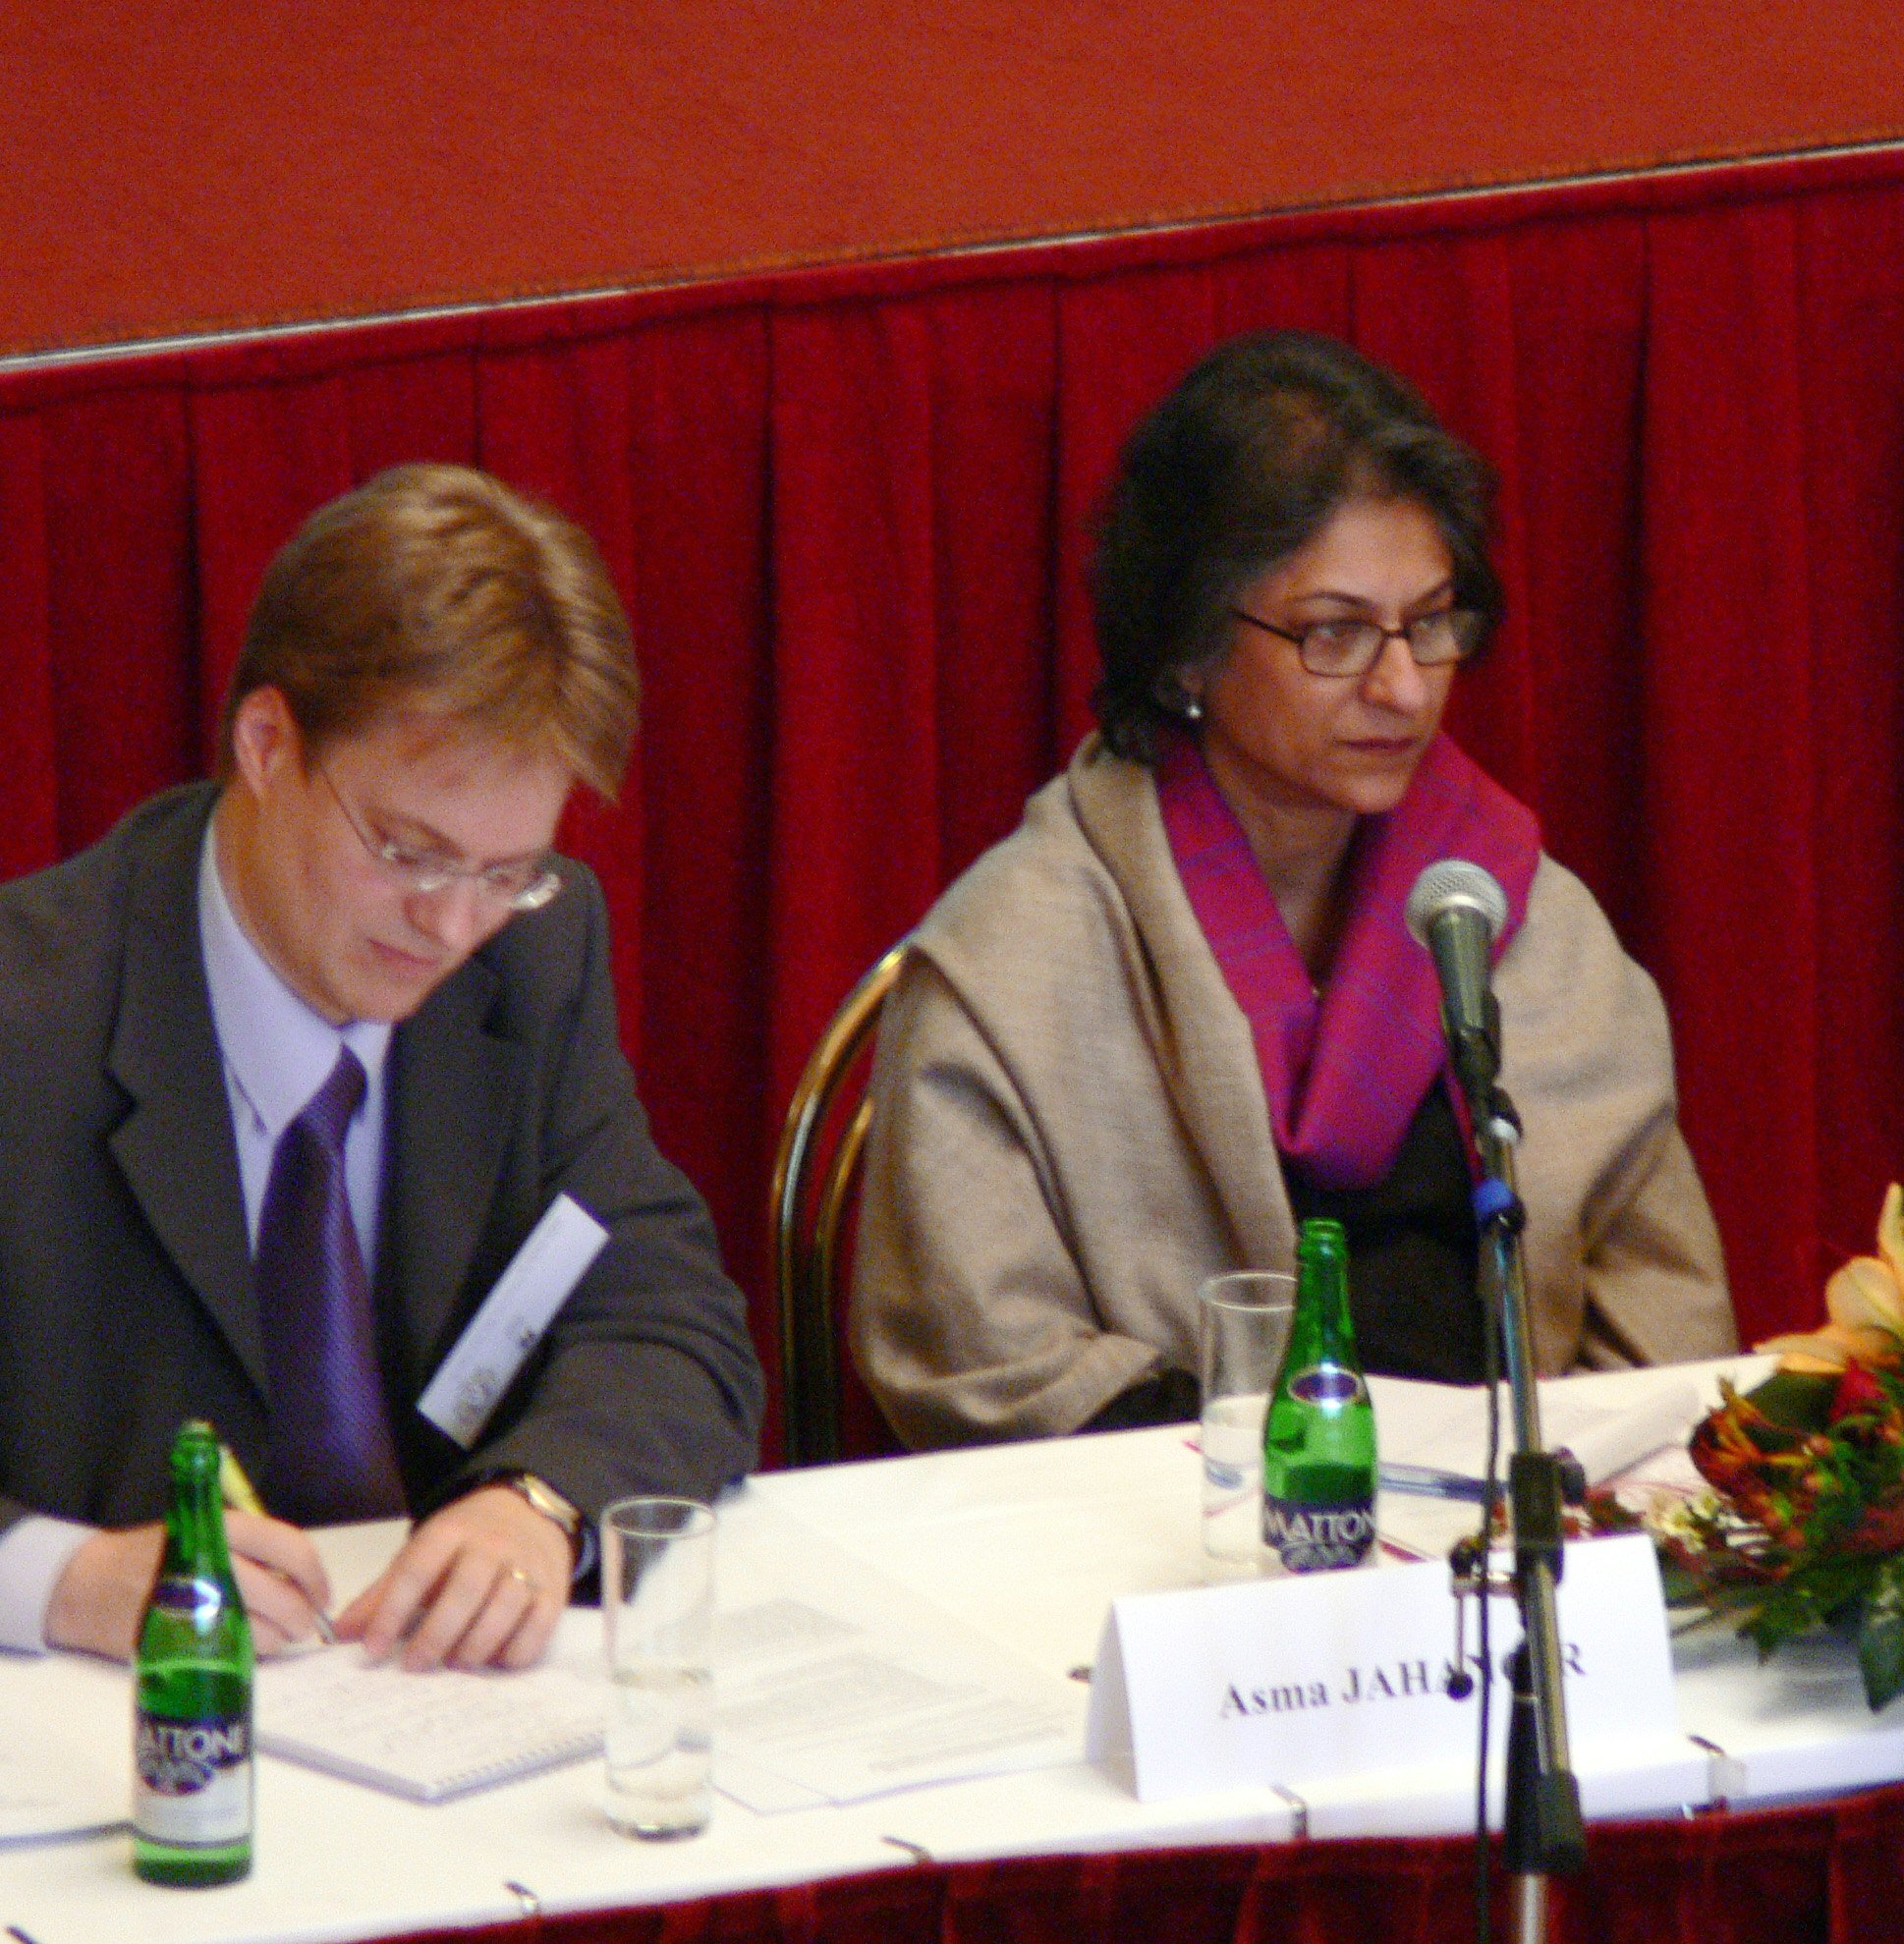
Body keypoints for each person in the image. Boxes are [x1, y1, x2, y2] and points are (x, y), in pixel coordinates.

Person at [854, 330, 1737, 1444]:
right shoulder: (1015, 958)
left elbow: (1667, 1314)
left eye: (1431, 620)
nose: (1404, 685)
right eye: (1334, 633)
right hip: (1183, 1540)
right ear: (1184, 648)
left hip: (1517, 1536)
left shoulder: (1507, 907)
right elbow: (984, 1357)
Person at [0, 465, 762, 1670]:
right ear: (267, 743)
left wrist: (539, 1500)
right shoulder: (28, 1017)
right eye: (411, 852)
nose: (452, 927)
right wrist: (55, 1575)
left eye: (508, 869)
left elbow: (668, 1314)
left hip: (428, 1721)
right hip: (122, 1740)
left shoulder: (532, 958)